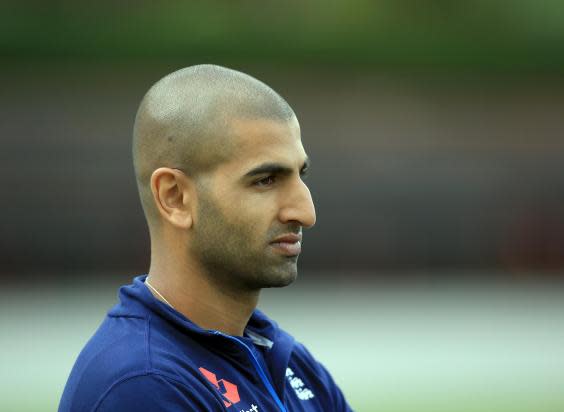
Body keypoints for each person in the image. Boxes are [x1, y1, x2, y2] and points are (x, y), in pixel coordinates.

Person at [59, 64, 352, 411]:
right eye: (266, 180)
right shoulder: (142, 386)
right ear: (175, 197)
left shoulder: (290, 364)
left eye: (300, 175)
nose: (305, 213)